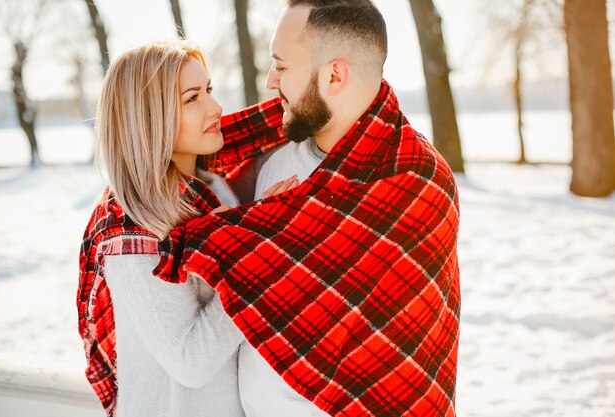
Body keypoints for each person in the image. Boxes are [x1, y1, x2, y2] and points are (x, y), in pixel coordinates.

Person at [155, 1, 461, 416]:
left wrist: (255, 237)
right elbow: (176, 169)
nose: (269, 81)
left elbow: (404, 360)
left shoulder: (413, 183)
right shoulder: (271, 151)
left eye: (281, 66)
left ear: (335, 75)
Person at [77, 40, 296, 417]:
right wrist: (258, 252)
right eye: (192, 98)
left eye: (208, 90)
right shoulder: (134, 232)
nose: (216, 107)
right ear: (149, 117)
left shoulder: (214, 189)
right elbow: (190, 360)